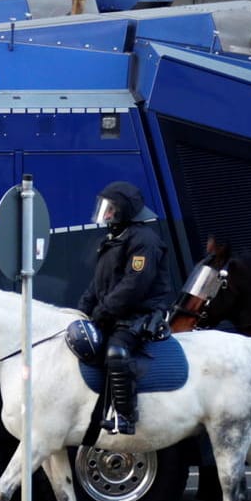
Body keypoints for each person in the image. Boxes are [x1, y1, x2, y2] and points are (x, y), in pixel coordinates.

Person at [77, 180, 175, 436]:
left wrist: (103, 311)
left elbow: (135, 285)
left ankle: (125, 416)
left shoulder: (145, 241)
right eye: (104, 208)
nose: (106, 214)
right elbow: (98, 283)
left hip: (138, 314)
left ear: (125, 210)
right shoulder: (113, 240)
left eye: (110, 209)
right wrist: (82, 311)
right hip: (115, 313)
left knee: (116, 351)